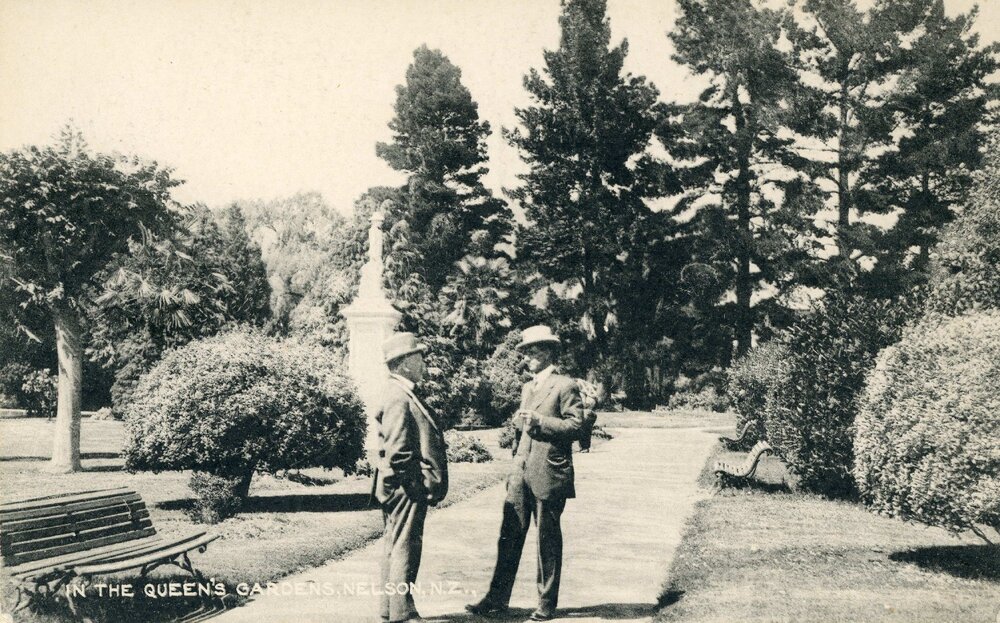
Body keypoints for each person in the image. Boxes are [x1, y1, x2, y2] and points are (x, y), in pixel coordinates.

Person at [467, 325, 585, 622]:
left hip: (549, 472)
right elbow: (524, 431)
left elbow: (576, 426)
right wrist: (519, 434)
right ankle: (496, 598)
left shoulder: (564, 385)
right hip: (521, 472)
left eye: (532, 352)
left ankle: (546, 603)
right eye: (526, 353)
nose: (527, 358)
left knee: (547, 539)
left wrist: (539, 421)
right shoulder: (527, 387)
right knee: (508, 536)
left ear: (547, 352)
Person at [374, 332, 448, 623]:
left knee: (394, 546)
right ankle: (402, 613)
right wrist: (416, 486)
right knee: (405, 546)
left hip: (399, 484)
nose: (423, 362)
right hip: (405, 486)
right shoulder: (397, 395)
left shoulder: (402, 392)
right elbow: (398, 450)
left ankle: (389, 607)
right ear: (404, 363)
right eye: (418, 357)